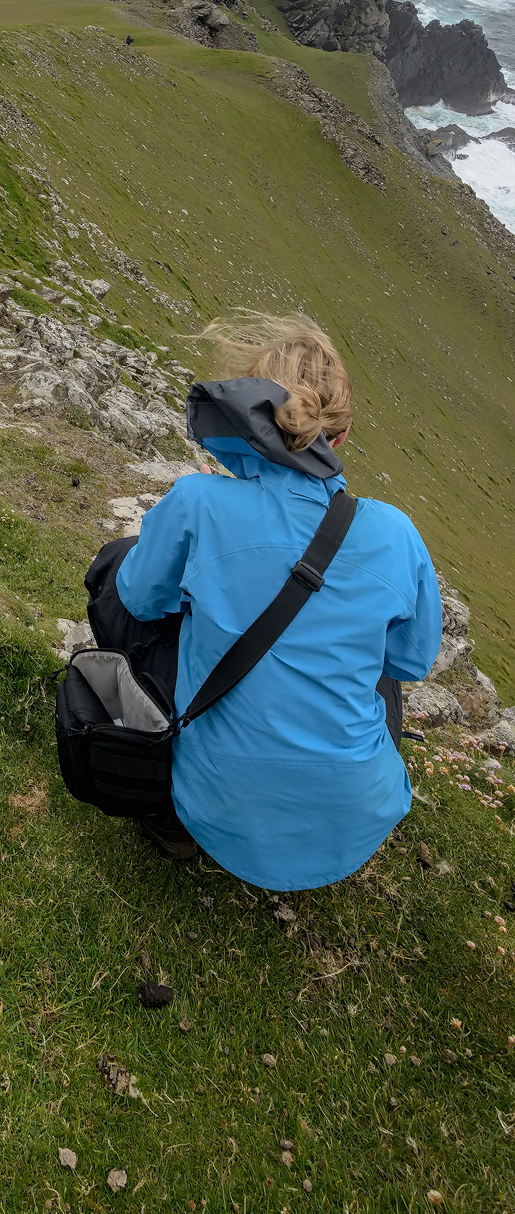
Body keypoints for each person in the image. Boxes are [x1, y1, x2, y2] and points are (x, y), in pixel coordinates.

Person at [113, 312, 441, 889]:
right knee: (377, 668)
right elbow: (410, 663)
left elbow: (137, 602)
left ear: (247, 418)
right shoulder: (395, 533)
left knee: (115, 570)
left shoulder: (197, 501)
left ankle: (168, 814)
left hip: (213, 810)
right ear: (340, 436)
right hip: (355, 827)